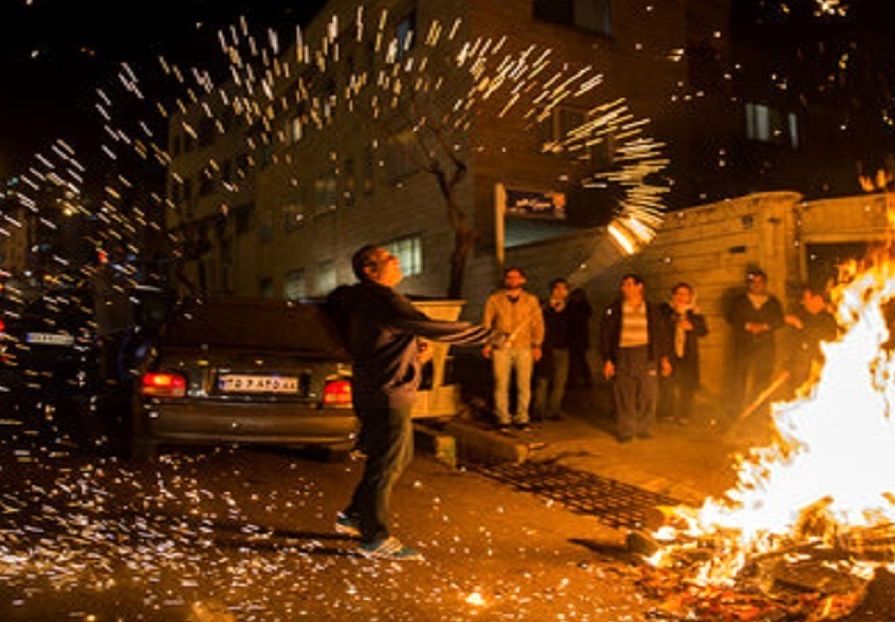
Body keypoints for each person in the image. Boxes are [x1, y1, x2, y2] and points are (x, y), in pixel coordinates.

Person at [325, 245, 498, 561]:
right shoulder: (385, 299)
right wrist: (487, 335)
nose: (396, 261)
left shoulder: (363, 300)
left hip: (375, 389)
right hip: (388, 393)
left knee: (396, 457)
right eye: (389, 258)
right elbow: (433, 326)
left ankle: (353, 514)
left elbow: (389, 336)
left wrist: (416, 349)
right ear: (370, 269)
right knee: (387, 461)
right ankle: (374, 537)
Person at [599, 274, 672, 442]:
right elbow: (606, 335)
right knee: (625, 394)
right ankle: (626, 431)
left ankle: (644, 428)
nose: (626, 288)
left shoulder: (652, 309)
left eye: (630, 284)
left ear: (640, 287)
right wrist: (608, 360)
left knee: (648, 394)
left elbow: (661, 335)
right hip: (623, 355)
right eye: (623, 285)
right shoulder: (615, 310)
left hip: (646, 354)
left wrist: (664, 359)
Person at [482, 266, 545, 431]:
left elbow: (537, 323)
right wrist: (487, 344)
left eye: (516, 277)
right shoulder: (494, 300)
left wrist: (537, 345)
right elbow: (487, 323)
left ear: (523, 280)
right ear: (505, 280)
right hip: (501, 347)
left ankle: (522, 418)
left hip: (524, 346)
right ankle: (502, 418)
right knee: (501, 384)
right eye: (509, 277)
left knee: (524, 384)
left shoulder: (531, 300)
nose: (513, 280)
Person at [727, 269, 784, 416]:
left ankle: (758, 411)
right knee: (739, 378)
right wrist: (747, 326)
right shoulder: (739, 301)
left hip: (765, 345)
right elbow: (731, 317)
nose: (757, 285)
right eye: (754, 282)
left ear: (765, 283)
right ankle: (735, 411)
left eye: (760, 282)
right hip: (743, 344)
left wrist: (765, 326)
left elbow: (779, 320)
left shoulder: (772, 302)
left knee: (763, 378)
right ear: (749, 284)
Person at [659, 282, 708, 425]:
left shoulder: (695, 313)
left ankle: (684, 414)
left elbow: (704, 331)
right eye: (678, 294)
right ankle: (666, 413)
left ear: (690, 297)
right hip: (670, 352)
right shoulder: (665, 311)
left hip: (688, 354)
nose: (681, 297)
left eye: (685, 294)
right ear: (673, 296)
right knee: (667, 384)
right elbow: (659, 331)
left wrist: (691, 327)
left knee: (688, 386)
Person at [783, 285, 839, 392]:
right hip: (799, 369)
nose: (803, 302)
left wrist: (801, 326)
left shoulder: (829, 319)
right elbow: (793, 345)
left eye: (806, 298)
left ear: (817, 299)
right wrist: (788, 365)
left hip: (820, 370)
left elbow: (826, 338)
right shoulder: (801, 315)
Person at [534, 278, 571, 421]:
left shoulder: (571, 308)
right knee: (542, 380)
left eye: (563, 289)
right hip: (546, 348)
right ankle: (539, 411)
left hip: (563, 349)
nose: (560, 292)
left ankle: (554, 410)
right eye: (557, 288)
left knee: (560, 382)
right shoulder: (543, 307)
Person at [566, 287, 594, 387]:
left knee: (578, 360)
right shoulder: (582, 307)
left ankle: (578, 379)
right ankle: (580, 379)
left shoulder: (576, 307)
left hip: (576, 338)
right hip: (576, 338)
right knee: (578, 360)